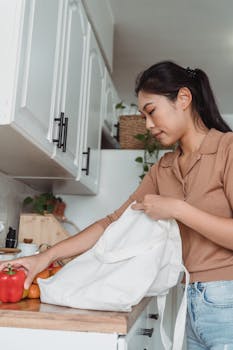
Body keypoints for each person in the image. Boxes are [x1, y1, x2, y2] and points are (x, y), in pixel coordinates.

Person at [1, 60, 233, 349]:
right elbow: (111, 223)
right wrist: (44, 258)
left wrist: (177, 209)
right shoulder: (164, 168)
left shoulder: (227, 149)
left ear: (183, 99)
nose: (148, 125)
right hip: (189, 301)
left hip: (227, 300)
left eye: (151, 112)